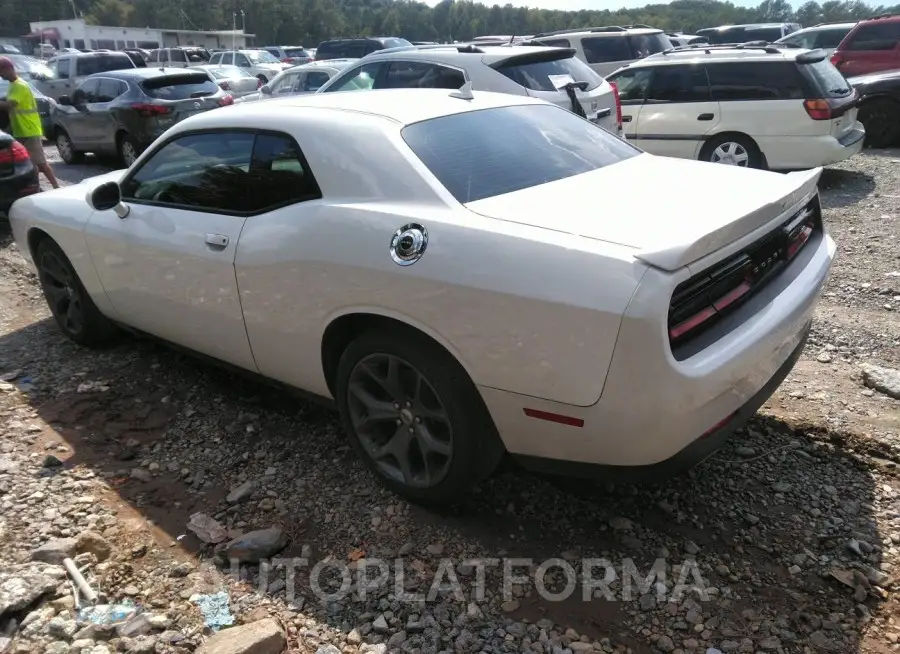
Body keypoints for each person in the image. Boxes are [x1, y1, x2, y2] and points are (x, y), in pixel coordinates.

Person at [0, 56, 59, 189]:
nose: (0, 75)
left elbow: (10, 104)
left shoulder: (20, 85)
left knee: (41, 163)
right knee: (29, 163)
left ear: (9, 69)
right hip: (20, 130)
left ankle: (56, 187)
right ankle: (36, 187)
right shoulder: (13, 85)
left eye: (1, 71)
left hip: (29, 129)